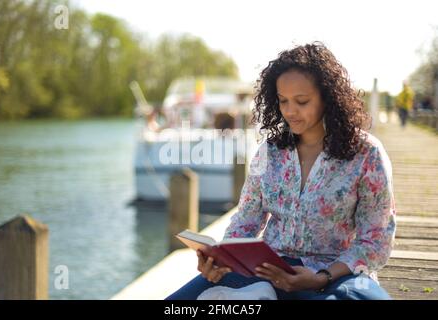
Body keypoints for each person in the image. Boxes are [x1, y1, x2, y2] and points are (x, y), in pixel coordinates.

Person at [165, 42, 396, 300]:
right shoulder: (269, 151)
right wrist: (221, 260)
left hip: (336, 274)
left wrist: (322, 276)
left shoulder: (366, 154)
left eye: (302, 101)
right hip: (269, 269)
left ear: (328, 97)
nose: (290, 111)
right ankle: (258, 292)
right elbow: (246, 221)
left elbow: (375, 241)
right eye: (283, 101)